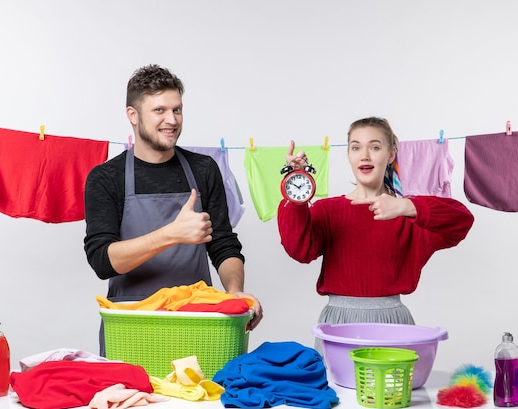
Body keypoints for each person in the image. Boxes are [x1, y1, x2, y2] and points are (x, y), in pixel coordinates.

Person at [84, 65, 263, 352]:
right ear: (133, 115)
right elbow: (103, 261)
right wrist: (172, 233)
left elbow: (224, 246)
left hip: (196, 321)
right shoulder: (106, 178)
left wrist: (234, 294)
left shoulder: (203, 169)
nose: (172, 120)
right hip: (131, 324)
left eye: (177, 110)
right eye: (160, 111)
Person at [277, 117, 474, 343]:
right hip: (339, 324)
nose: (364, 155)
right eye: (356, 147)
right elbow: (299, 250)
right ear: (349, 155)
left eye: (375, 147)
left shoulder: (407, 213)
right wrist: (296, 184)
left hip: (393, 324)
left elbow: (462, 220)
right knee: (336, 380)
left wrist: (407, 206)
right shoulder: (327, 210)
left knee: (393, 380)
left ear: (390, 155)